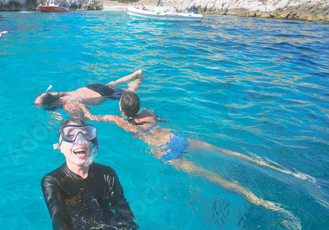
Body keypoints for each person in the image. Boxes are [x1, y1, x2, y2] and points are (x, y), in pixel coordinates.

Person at [83, 92, 304, 219]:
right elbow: (163, 120)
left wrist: (82, 110)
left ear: (121, 109)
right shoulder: (149, 113)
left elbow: (94, 116)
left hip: (165, 152)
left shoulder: (119, 121)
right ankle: (279, 169)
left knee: (213, 177)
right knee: (226, 152)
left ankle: (259, 200)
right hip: (176, 139)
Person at [41, 120, 143, 230]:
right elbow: (59, 216)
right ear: (60, 146)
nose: (79, 140)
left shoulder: (107, 174)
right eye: (70, 135)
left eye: (85, 134)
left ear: (92, 144)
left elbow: (124, 214)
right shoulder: (52, 180)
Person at [33, 70, 144, 119]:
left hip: (100, 95)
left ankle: (139, 79)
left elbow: (80, 118)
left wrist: (60, 118)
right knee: (113, 83)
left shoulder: (67, 104)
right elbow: (45, 95)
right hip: (91, 86)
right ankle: (136, 73)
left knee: (130, 92)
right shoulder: (55, 94)